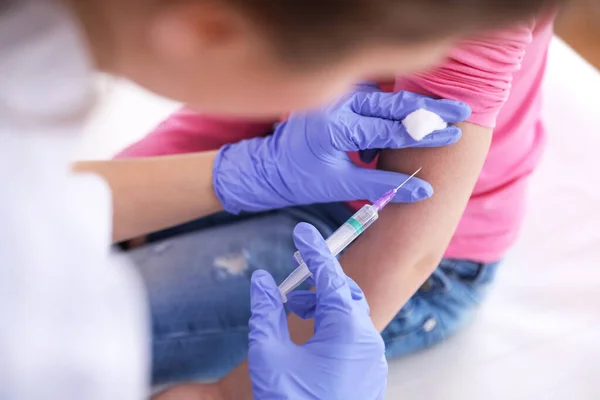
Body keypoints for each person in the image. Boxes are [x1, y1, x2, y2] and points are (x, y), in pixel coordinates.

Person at [0, 2, 563, 400]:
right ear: (209, 29)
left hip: (414, 260)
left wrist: (230, 394)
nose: (353, 87)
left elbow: (406, 253)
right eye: (347, 69)